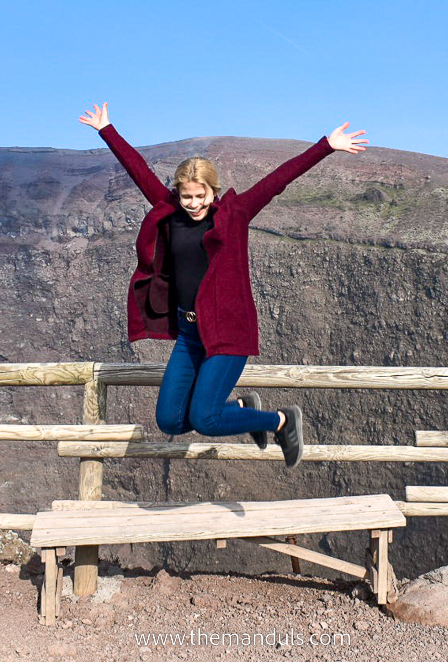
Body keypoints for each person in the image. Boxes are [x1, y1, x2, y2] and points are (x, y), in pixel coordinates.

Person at [78, 103, 368, 467]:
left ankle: (279, 420)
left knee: (205, 419)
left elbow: (277, 180)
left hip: (228, 332)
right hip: (189, 333)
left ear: (213, 192)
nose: (194, 204)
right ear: (178, 193)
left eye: (201, 196)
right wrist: (107, 130)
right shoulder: (169, 211)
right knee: (169, 419)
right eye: (187, 196)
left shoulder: (236, 215)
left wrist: (325, 144)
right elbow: (139, 171)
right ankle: (243, 409)